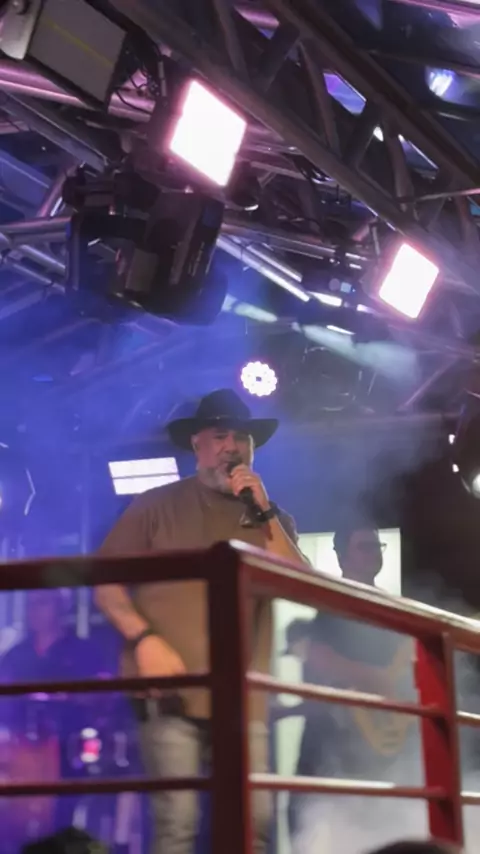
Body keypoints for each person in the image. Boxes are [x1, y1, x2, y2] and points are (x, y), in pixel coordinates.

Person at [95, 389, 308, 854]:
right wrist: (144, 639)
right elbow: (104, 583)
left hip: (243, 700)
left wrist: (265, 510)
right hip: (171, 692)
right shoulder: (155, 505)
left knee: (254, 826)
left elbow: (301, 586)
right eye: (221, 435)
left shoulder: (271, 518)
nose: (233, 447)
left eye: (243, 438)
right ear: (197, 444)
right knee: (179, 824)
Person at [288, 521, 421, 854]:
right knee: (319, 827)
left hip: (379, 748)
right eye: (365, 546)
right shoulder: (333, 605)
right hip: (333, 743)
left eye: (377, 546)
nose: (374, 553)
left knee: (379, 828)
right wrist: (375, 678)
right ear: (342, 555)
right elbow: (319, 660)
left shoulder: (392, 608)